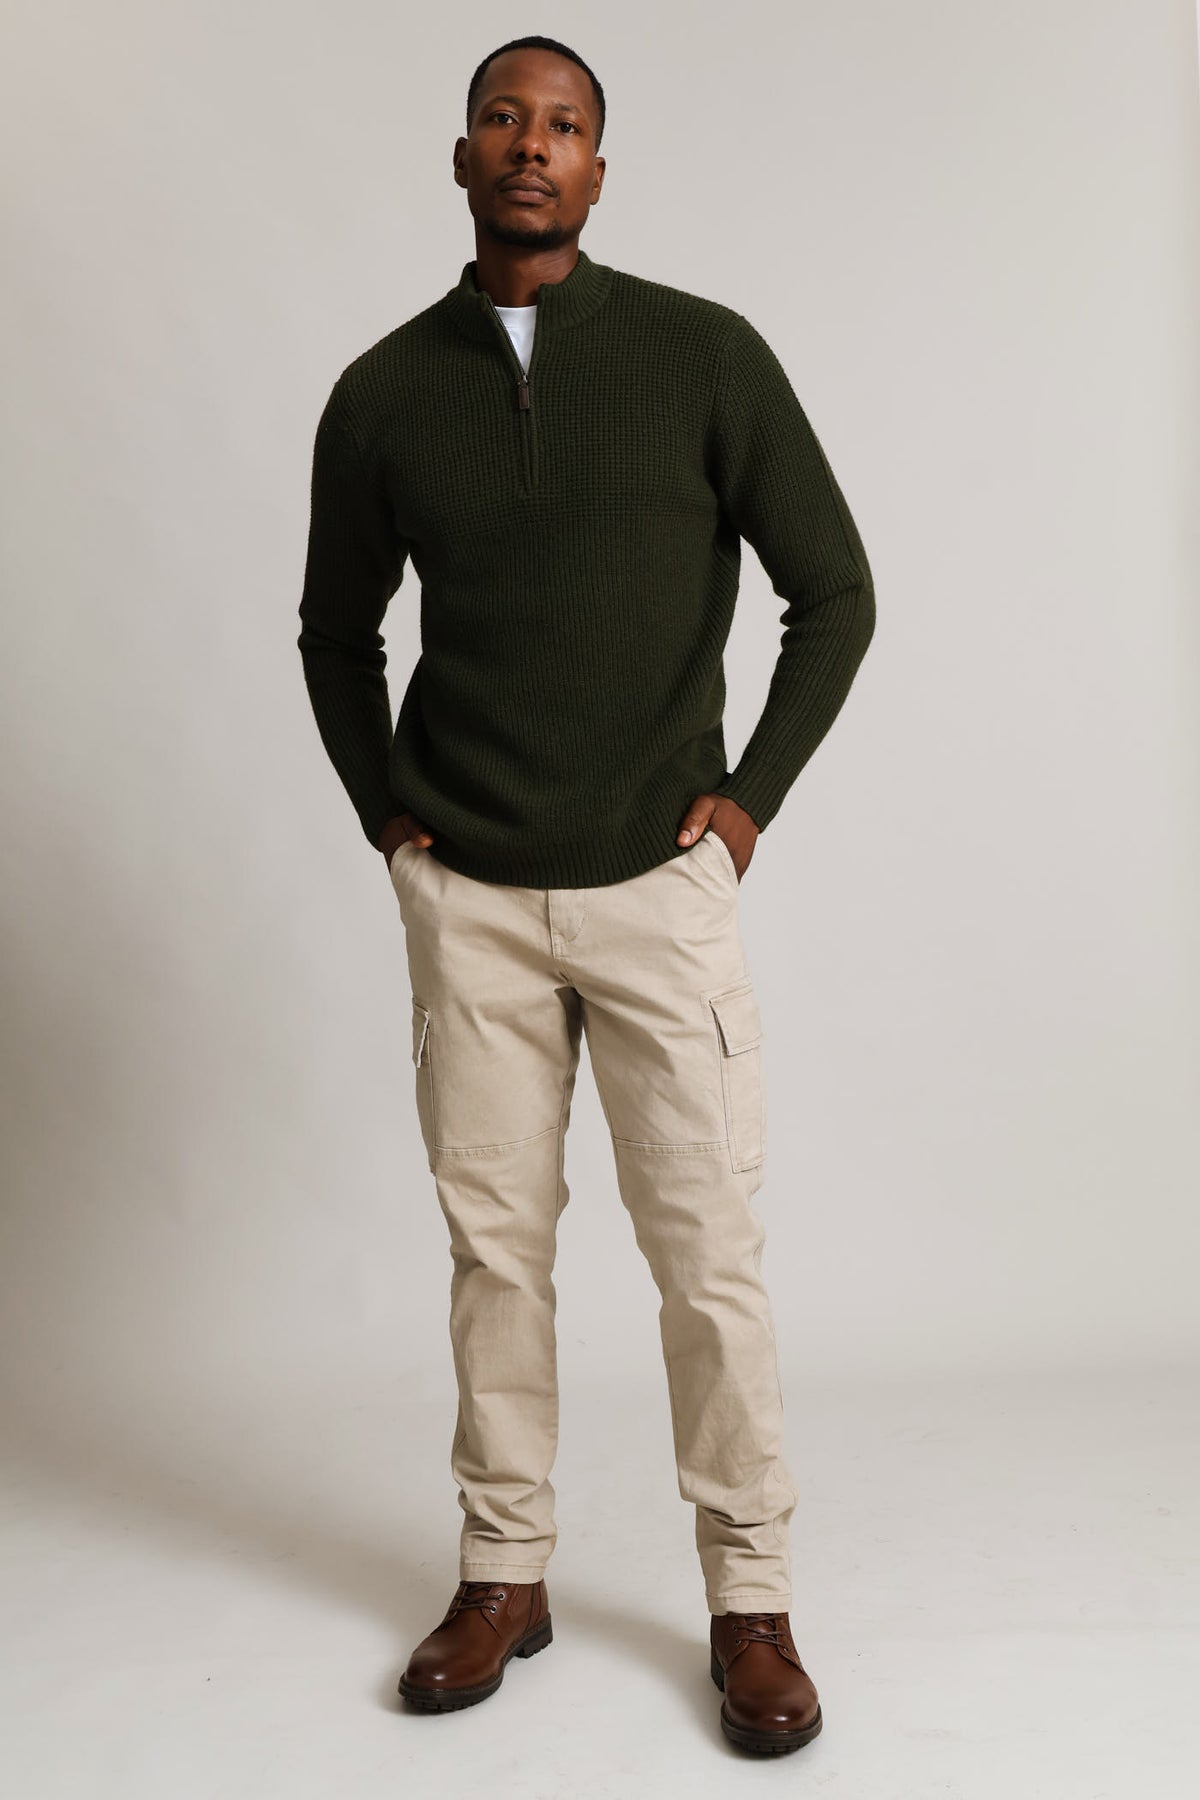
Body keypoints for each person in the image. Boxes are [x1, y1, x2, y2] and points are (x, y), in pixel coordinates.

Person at [297, 33, 874, 1756]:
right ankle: (505, 1572)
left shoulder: (703, 356)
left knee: (707, 1256)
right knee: (496, 1255)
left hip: (654, 889)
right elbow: (335, 633)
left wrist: (745, 807)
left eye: (562, 126)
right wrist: (392, 823)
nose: (530, 146)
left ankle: (751, 1600)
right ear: (461, 157)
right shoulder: (384, 393)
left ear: (600, 171)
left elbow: (834, 591)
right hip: (469, 896)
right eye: (503, 118)